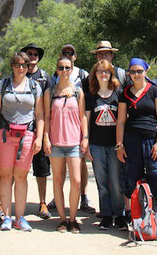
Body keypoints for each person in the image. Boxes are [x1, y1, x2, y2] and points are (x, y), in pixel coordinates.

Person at [116, 58, 157, 246]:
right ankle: (135, 222)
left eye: (139, 71)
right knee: (130, 179)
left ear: (146, 71)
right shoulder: (124, 93)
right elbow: (120, 121)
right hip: (131, 141)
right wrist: (119, 145)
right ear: (129, 73)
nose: (136, 74)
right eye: (133, 71)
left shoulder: (154, 91)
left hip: (152, 142)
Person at [0, 51, 44, 232]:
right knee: (5, 175)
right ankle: (7, 216)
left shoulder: (34, 86)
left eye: (24, 65)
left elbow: (39, 114)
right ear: (12, 66)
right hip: (6, 134)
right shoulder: (3, 85)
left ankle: (20, 217)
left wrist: (39, 137)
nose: (21, 68)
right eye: (17, 65)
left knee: (21, 176)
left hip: (27, 135)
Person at [44, 55, 88, 233]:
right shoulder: (50, 92)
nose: (64, 71)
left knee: (76, 181)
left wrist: (85, 137)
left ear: (72, 70)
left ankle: (73, 218)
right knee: (57, 180)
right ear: (56, 69)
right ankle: (62, 219)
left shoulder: (78, 92)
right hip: (56, 142)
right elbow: (46, 117)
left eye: (67, 68)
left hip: (73, 142)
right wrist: (46, 138)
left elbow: (82, 116)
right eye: (60, 68)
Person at [85, 59, 126, 230]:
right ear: (95, 74)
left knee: (116, 182)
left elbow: (123, 120)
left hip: (114, 145)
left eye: (106, 72)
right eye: (100, 71)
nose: (103, 74)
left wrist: (121, 144)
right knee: (102, 182)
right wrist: (86, 143)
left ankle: (120, 214)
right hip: (97, 144)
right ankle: (107, 215)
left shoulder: (119, 94)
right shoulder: (91, 96)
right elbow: (86, 120)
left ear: (111, 75)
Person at [58, 44, 95, 213]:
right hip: (61, 125)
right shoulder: (56, 75)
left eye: (70, 53)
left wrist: (85, 132)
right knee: (62, 166)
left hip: (78, 122)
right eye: (65, 53)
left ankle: (83, 196)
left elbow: (88, 97)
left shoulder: (82, 74)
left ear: (75, 56)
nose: (68, 55)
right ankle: (59, 198)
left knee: (80, 164)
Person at [20, 42, 52, 219]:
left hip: (38, 128)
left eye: (35, 54)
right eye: (29, 54)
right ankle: (11, 202)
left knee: (41, 168)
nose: (32, 57)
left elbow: (47, 109)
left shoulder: (44, 78)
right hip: (20, 129)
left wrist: (45, 135)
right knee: (17, 167)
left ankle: (42, 202)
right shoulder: (18, 75)